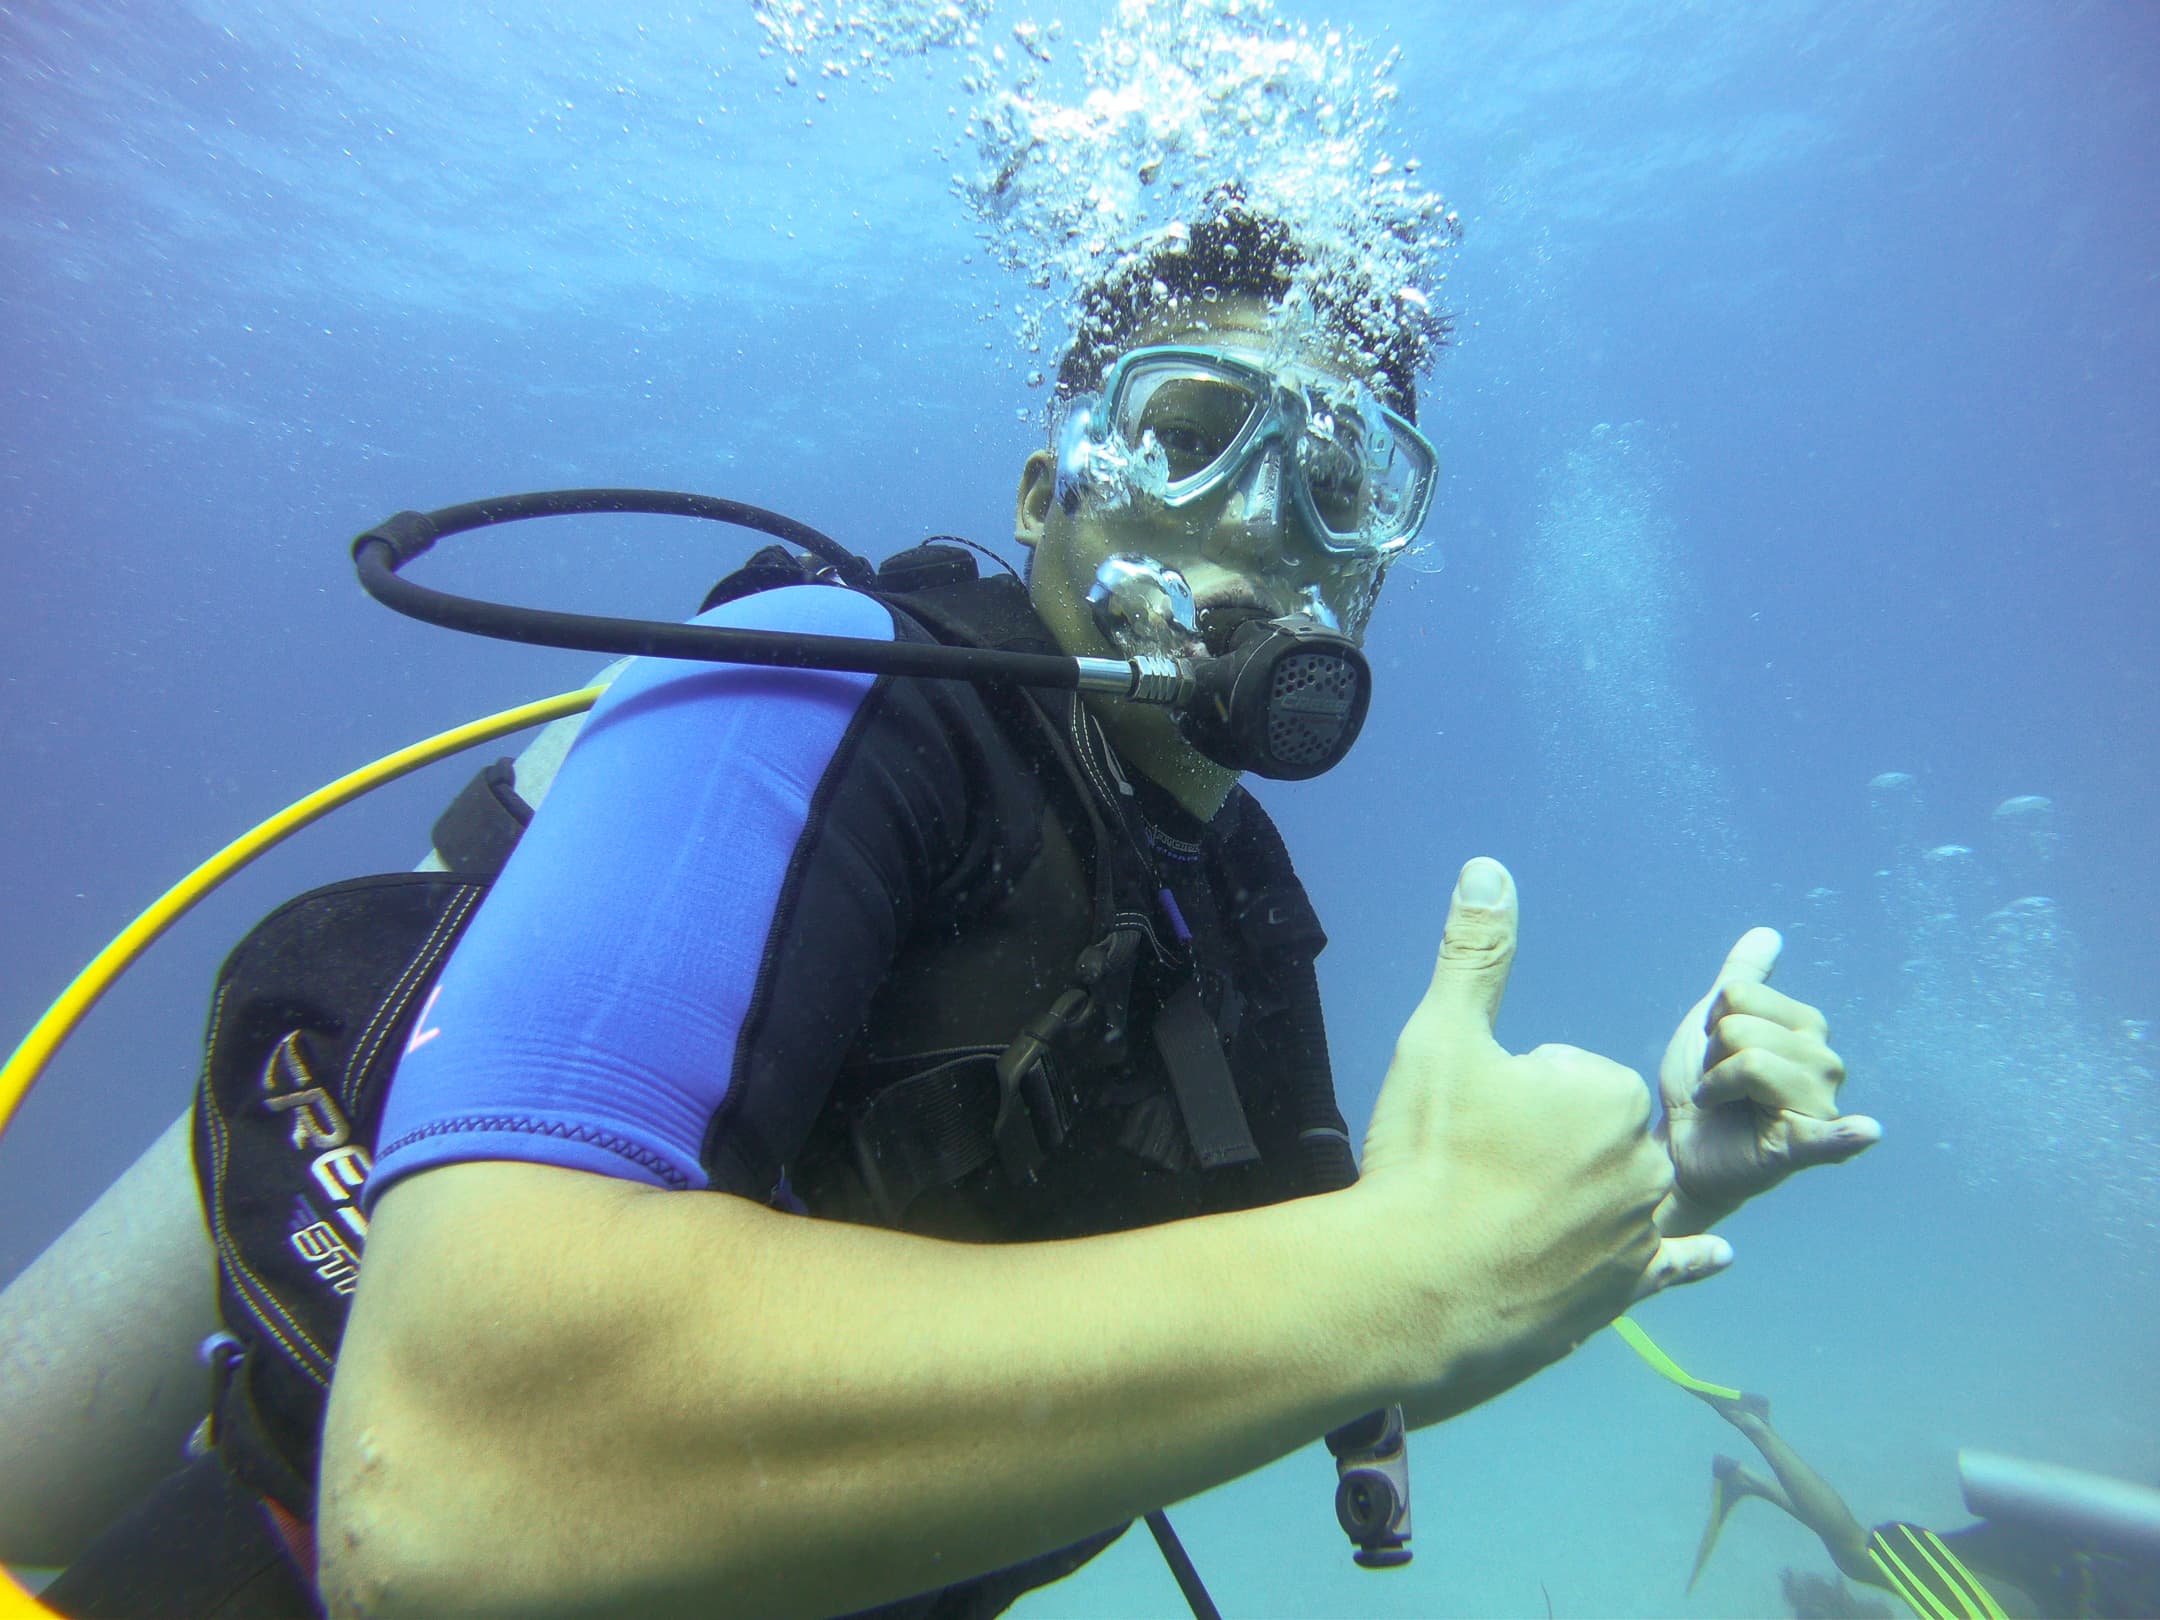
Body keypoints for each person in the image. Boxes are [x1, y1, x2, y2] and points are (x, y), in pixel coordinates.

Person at [1, 203, 1877, 1620]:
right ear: (1051, 483)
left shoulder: (1233, 904)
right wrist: (1419, 1274)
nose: (1263, 514)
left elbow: (1311, 1339)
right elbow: (450, 1493)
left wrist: (1645, 1188)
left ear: (1381, 566)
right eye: (1196, 424)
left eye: (1343, 479)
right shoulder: (805, 685)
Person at [1686, 1384, 2160, 1619]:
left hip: (2048, 1570)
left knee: (1864, 1560)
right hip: (2054, 1592)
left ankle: (1751, 1481)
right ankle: (1754, 1428)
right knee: (1856, 1552)